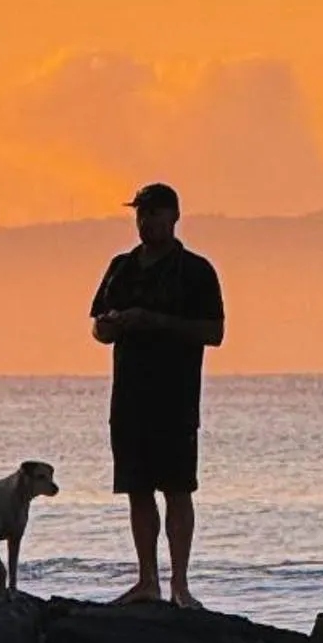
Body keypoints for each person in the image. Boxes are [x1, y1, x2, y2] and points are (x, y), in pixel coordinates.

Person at [89, 182, 224, 608]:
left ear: (174, 217)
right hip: (129, 397)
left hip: (175, 397)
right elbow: (97, 326)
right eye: (141, 215)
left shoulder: (196, 271)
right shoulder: (121, 267)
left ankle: (180, 585)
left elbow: (214, 332)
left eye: (153, 214)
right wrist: (110, 326)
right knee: (137, 489)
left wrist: (153, 321)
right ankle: (147, 580)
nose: (145, 222)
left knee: (178, 489)